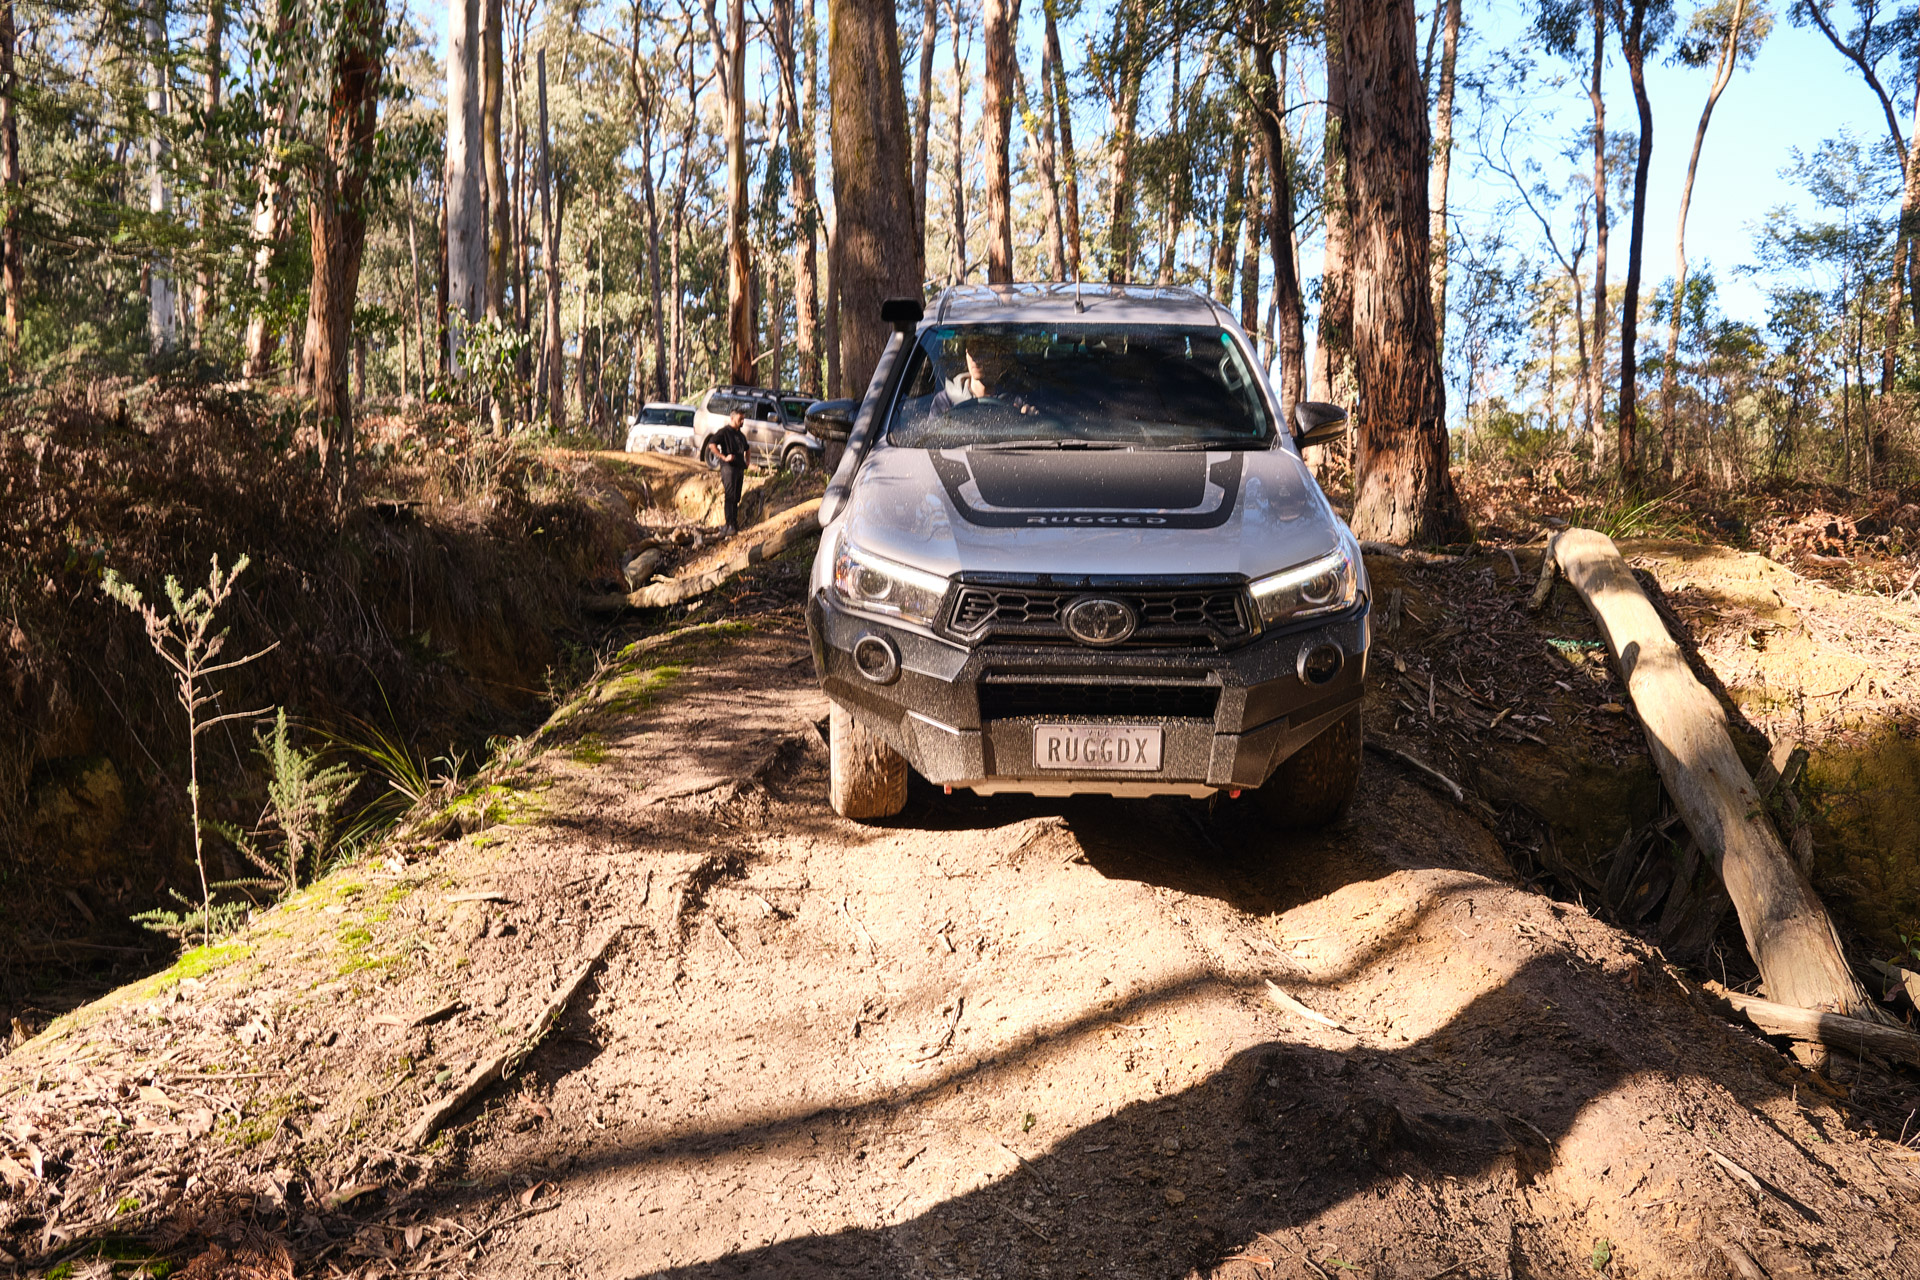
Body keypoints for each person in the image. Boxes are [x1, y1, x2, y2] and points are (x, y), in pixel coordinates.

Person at [706, 407, 750, 533]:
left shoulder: (741, 435)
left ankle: (734, 523)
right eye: (740, 419)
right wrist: (723, 457)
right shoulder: (724, 432)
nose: (742, 421)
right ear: (732, 418)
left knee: (736, 497)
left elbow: (748, 448)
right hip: (728, 468)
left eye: (743, 419)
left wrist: (747, 461)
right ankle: (729, 524)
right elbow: (711, 444)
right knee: (730, 495)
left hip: (739, 468)